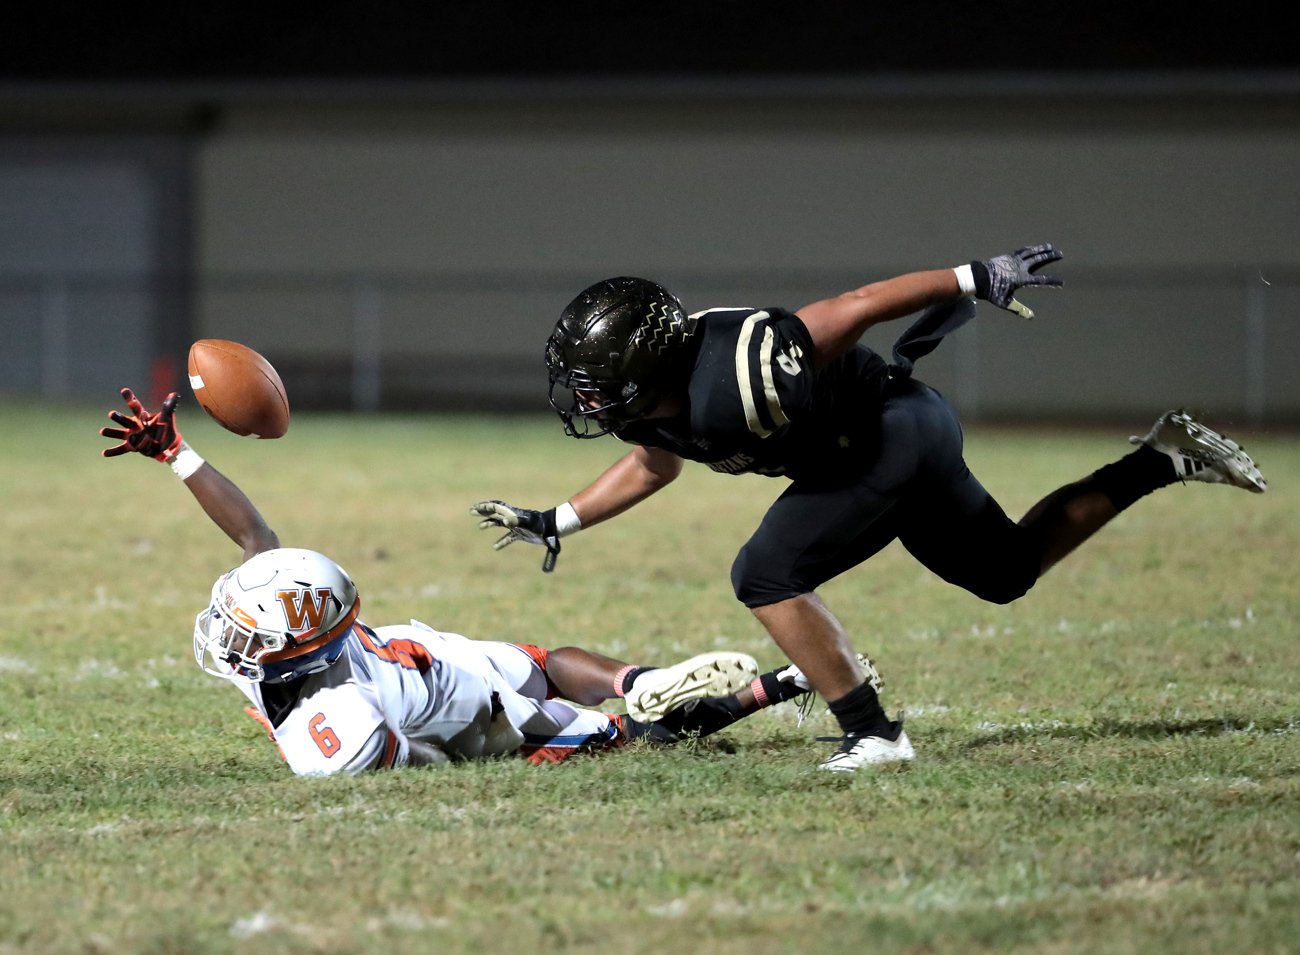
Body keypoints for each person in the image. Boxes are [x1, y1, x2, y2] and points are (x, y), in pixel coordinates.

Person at [470, 245, 1268, 772]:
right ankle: (1160, 459)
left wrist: (973, 277)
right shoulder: (652, 404)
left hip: (890, 431)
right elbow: (653, 466)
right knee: (1005, 571)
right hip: (873, 448)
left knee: (767, 571)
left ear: (647, 364)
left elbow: (856, 305)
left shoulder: (743, 364)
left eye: (596, 379)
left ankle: (874, 732)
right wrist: (559, 519)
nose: (584, 395)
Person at [98, 388, 822, 776]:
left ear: (296, 651)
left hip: (465, 705)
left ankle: (776, 685)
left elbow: (416, 763)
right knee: (551, 662)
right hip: (424, 653)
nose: (226, 633)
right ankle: (638, 675)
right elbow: (257, 539)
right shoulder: (302, 642)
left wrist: (483, 745)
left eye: (244, 630)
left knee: (626, 738)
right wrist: (177, 454)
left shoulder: (332, 725)